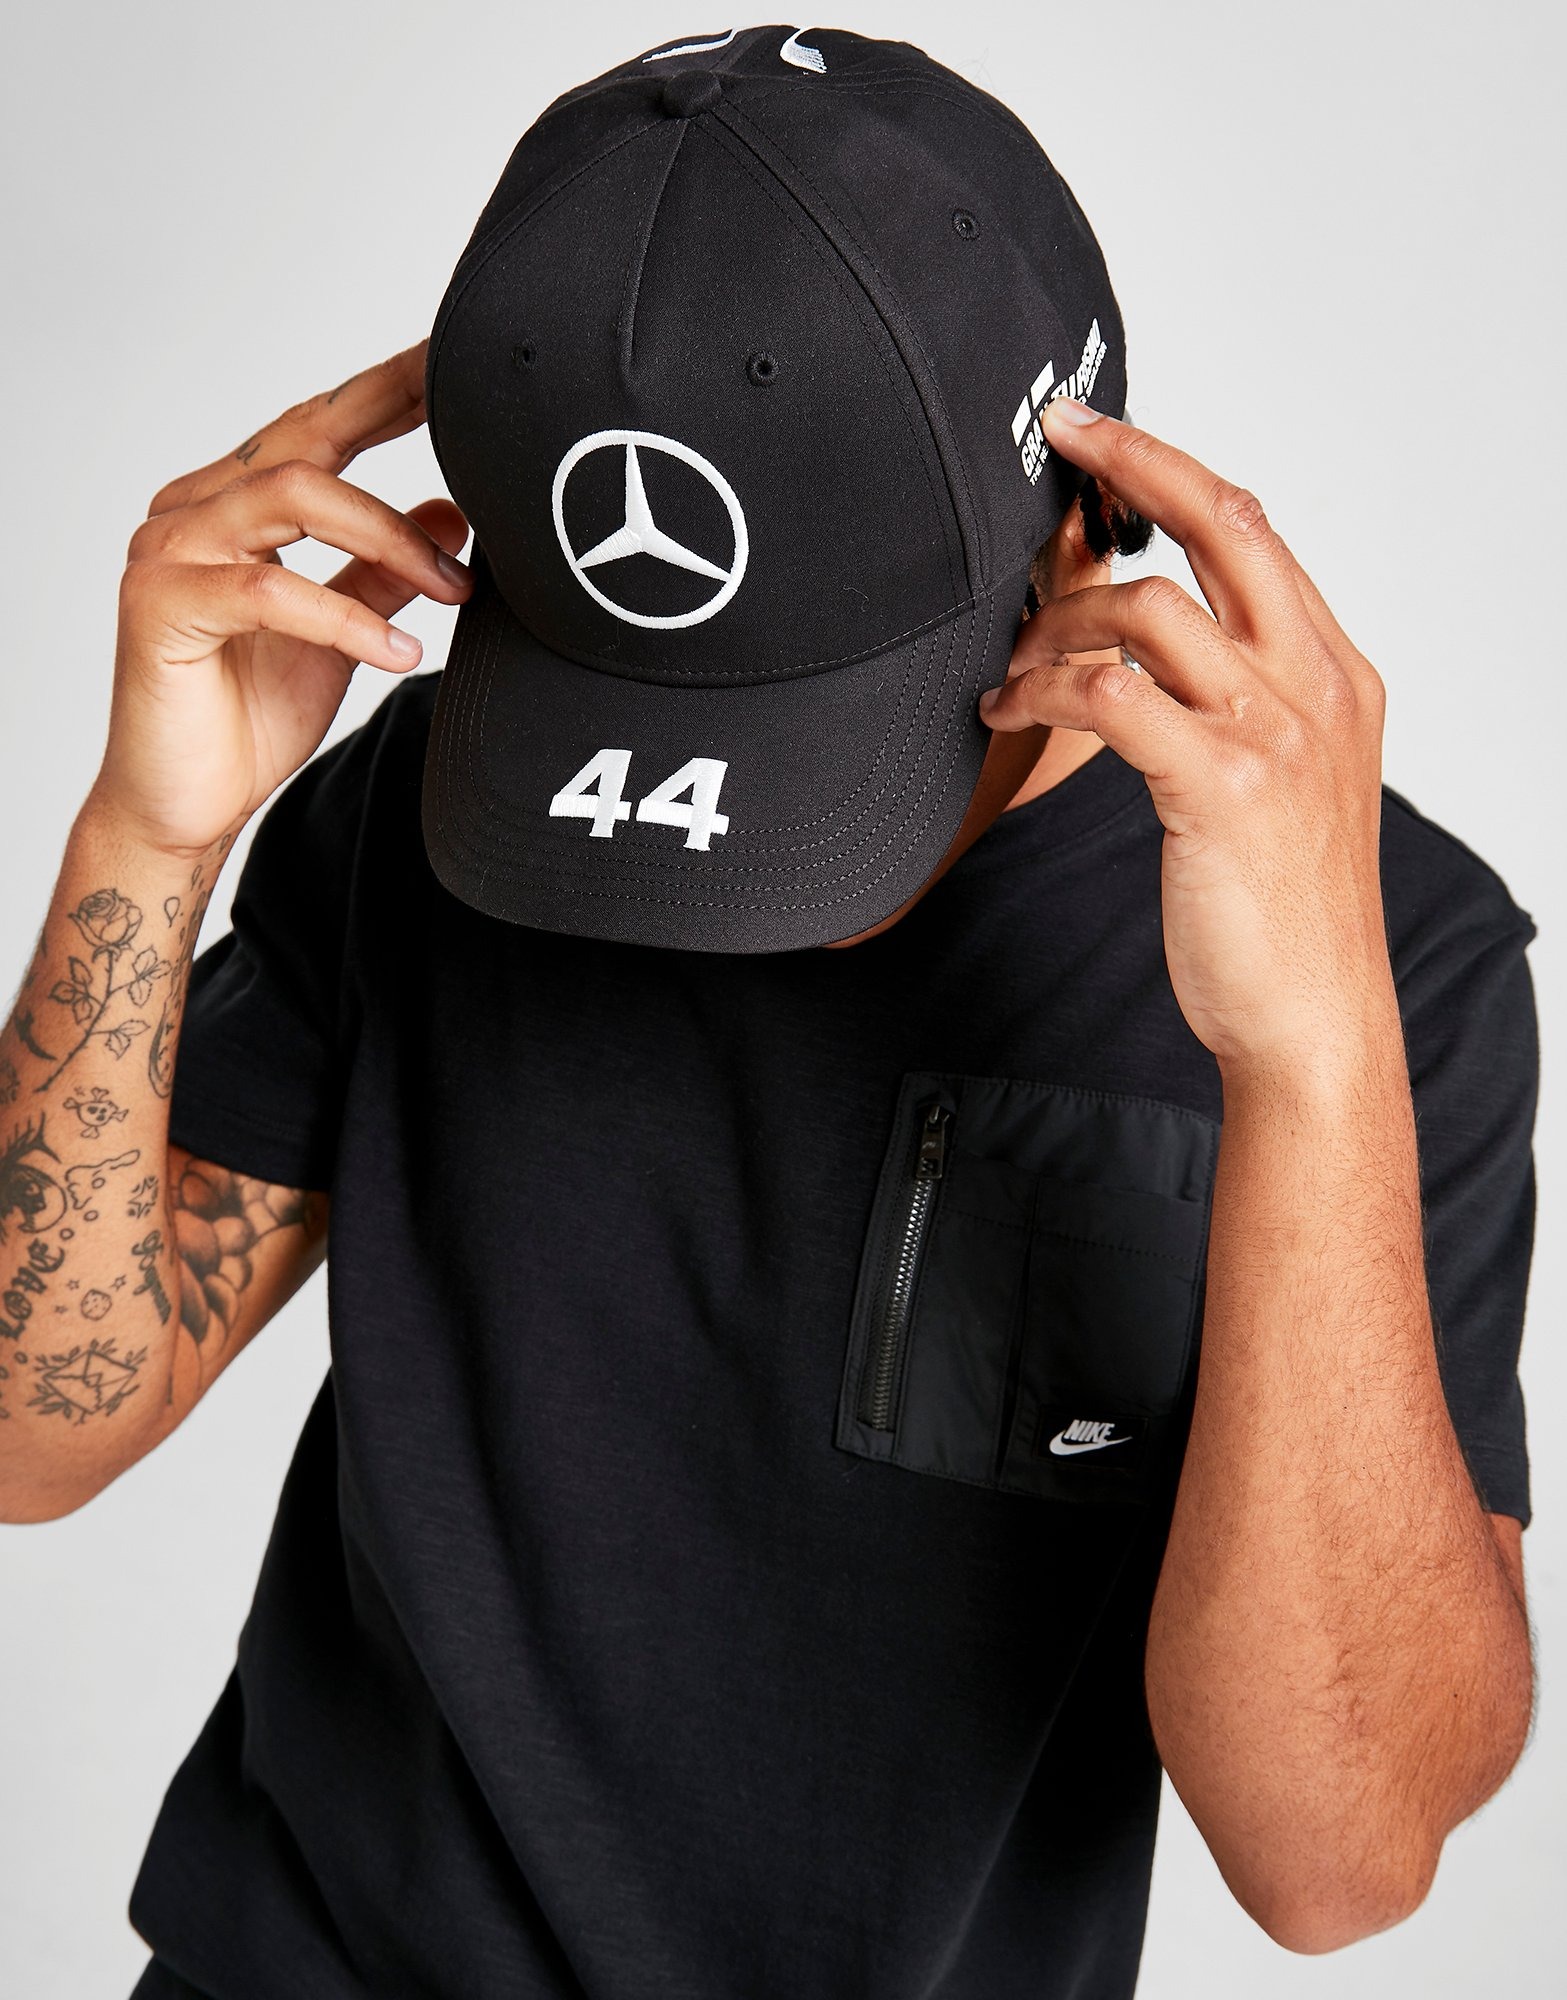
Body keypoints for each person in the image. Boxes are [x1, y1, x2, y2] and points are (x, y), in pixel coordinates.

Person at [0, 25, 1537, 2000]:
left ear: (1086, 522)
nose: (699, 846)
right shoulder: (420, 810)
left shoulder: (1381, 955)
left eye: (817, 741)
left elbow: (1336, 1861)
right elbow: (27, 1444)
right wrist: (146, 838)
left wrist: (1305, 1059)